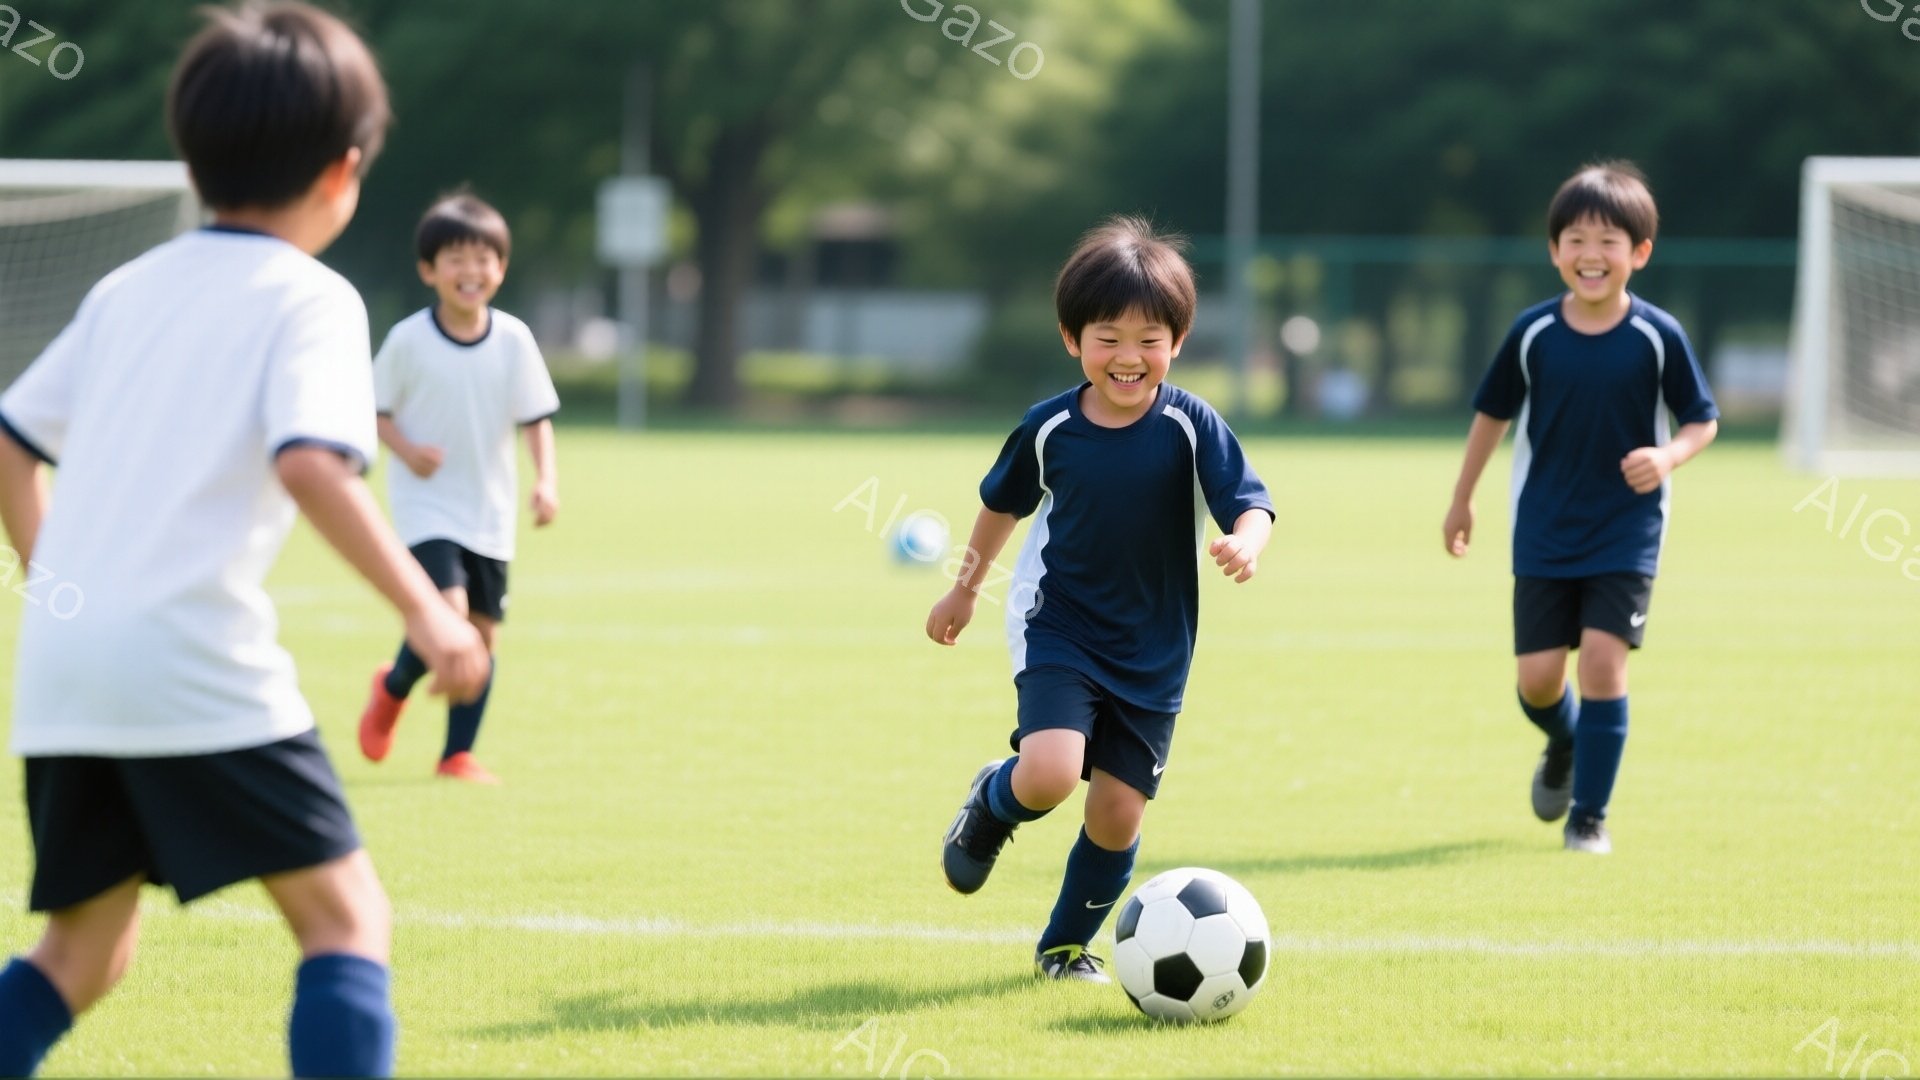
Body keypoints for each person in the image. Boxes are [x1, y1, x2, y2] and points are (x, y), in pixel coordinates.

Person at [0, 3, 490, 1076]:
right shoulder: (311, 298)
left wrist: (64, 588)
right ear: (342, 170)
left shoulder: (127, 287)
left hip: (67, 671)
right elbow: (311, 463)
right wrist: (426, 612)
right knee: (347, 923)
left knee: (84, 951)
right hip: (188, 657)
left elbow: (10, 444)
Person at [926, 216, 1274, 981]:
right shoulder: (1049, 428)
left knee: (1117, 814)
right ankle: (992, 803)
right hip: (1061, 626)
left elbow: (1249, 502)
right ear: (1071, 338)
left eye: (1149, 338)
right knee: (1050, 770)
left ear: (1177, 342)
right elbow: (1002, 506)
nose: (1127, 357)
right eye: (1107, 337)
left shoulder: (1190, 423)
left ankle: (1062, 948)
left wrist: (1246, 541)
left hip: (1155, 647)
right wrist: (962, 591)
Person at [1443, 161, 1719, 855]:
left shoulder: (1658, 335)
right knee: (1538, 682)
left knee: (1602, 661)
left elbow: (1701, 419)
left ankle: (1588, 818)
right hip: (1544, 526)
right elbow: (1491, 414)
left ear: (1640, 253)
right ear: (1554, 250)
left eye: (1608, 242)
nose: (1591, 255)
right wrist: (1462, 498)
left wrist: (1668, 457)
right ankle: (1568, 743)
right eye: (1575, 239)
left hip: (1628, 527)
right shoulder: (1533, 332)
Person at [356, 193, 560, 784]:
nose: (471, 272)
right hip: (427, 505)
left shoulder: (515, 339)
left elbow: (535, 417)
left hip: (489, 509)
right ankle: (398, 701)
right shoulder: (408, 340)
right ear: (429, 270)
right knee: (450, 613)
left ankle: (449, 748)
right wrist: (408, 451)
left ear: (501, 268)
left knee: (482, 636)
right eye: (456, 259)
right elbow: (372, 411)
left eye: (484, 260)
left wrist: (546, 480)